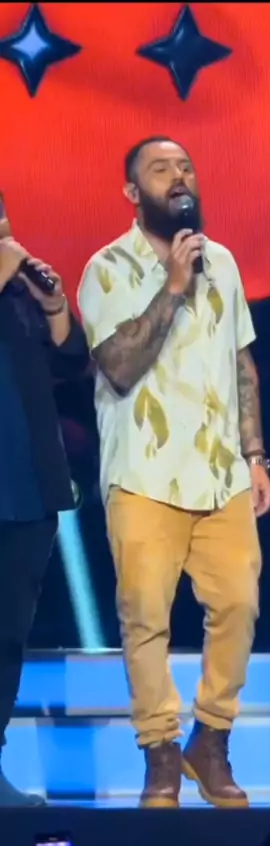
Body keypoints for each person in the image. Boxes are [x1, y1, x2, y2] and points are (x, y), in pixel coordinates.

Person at [77, 136, 270, 809]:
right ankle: (159, 753)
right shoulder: (106, 268)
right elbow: (118, 366)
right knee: (145, 617)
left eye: (185, 166)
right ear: (133, 193)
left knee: (239, 603)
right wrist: (173, 286)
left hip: (221, 473)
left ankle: (210, 740)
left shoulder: (223, 262)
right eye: (161, 170)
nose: (179, 177)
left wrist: (255, 455)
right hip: (143, 474)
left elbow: (241, 363)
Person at [0, 232, 90, 807]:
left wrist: (54, 306)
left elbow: (72, 359)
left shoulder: (16, 291)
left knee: (6, 639)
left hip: (27, 489)